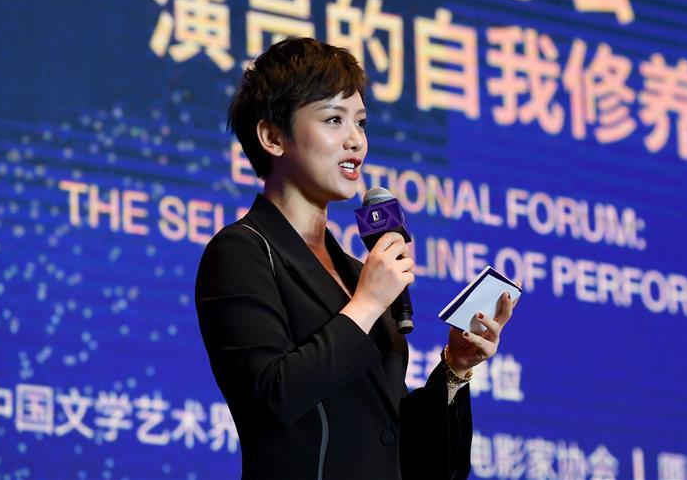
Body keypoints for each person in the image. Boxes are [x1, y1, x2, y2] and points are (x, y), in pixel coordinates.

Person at [195, 37, 516, 480]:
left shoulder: (354, 271)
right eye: (333, 119)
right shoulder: (243, 251)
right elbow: (272, 398)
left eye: (360, 123)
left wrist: (454, 370)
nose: (355, 141)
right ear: (272, 137)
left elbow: (399, 450)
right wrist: (366, 304)